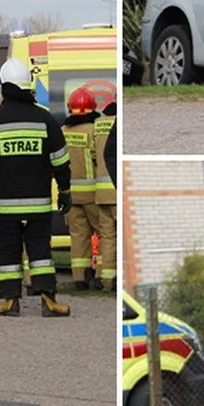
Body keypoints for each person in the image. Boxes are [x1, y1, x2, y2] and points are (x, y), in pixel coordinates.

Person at [0, 58, 72, 317]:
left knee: (7, 251)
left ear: (3, 87)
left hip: (4, 204)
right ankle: (48, 299)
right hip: (37, 202)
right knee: (40, 252)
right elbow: (60, 160)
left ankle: (10, 300)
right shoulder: (44, 119)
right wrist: (65, 190)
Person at [62, 87, 104, 290]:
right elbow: (99, 158)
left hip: (70, 194)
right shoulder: (94, 129)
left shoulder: (63, 132)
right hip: (93, 193)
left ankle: (79, 278)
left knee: (78, 236)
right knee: (104, 233)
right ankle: (101, 276)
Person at [93, 98, 117, 290]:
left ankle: (106, 281)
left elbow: (94, 155)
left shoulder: (98, 123)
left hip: (101, 192)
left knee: (106, 236)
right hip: (115, 188)